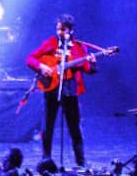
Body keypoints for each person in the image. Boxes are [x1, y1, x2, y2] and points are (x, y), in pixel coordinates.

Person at [25, 13, 96, 167]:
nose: (59, 32)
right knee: (47, 125)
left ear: (70, 30)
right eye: (58, 29)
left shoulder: (79, 47)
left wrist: (92, 63)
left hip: (70, 89)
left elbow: (88, 69)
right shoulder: (50, 43)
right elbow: (30, 58)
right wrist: (41, 66)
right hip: (51, 88)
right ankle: (46, 160)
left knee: (74, 127)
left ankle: (81, 162)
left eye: (62, 30)